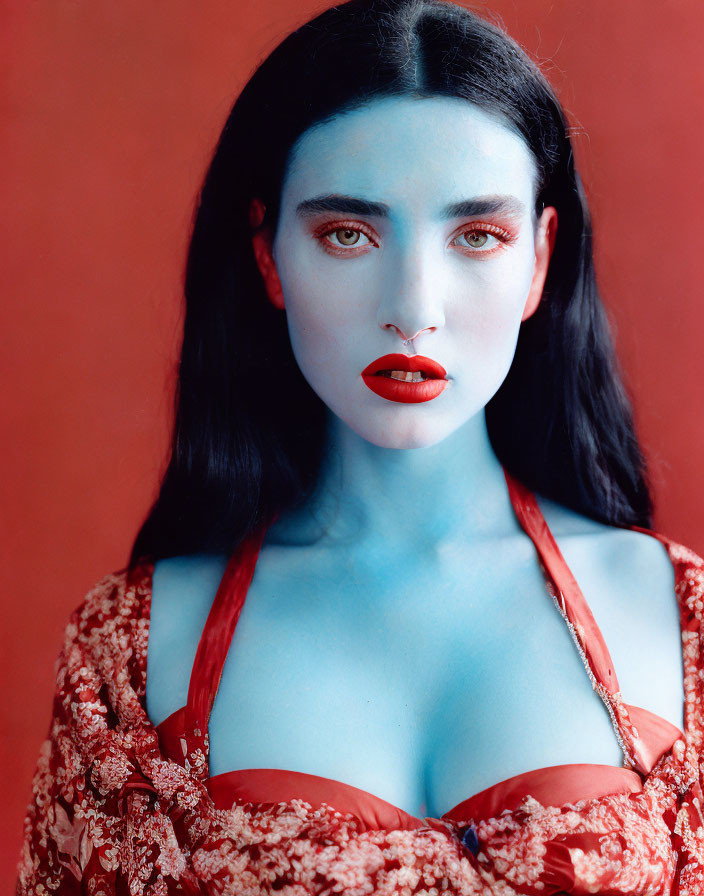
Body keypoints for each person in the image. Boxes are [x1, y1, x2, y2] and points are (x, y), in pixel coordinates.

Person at [16, 0, 704, 893]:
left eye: (476, 235)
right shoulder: (132, 648)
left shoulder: (685, 623)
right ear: (267, 256)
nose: (412, 304)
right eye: (348, 234)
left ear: (539, 260)